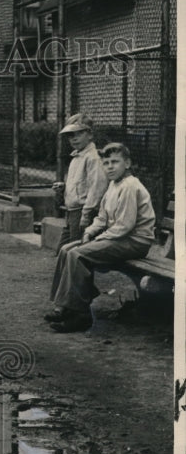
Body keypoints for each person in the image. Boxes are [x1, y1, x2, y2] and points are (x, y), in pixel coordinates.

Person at [46, 142, 156, 333]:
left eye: (115, 162)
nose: (110, 167)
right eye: (106, 163)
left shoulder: (130, 186)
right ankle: (65, 306)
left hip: (136, 241)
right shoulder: (114, 185)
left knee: (78, 255)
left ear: (127, 163)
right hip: (119, 238)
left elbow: (124, 226)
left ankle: (81, 315)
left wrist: (98, 240)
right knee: (66, 250)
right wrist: (89, 232)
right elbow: (102, 217)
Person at [52, 113, 108, 249]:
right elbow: (81, 183)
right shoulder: (77, 156)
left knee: (75, 253)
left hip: (83, 212)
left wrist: (86, 215)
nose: (74, 138)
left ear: (90, 135)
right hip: (71, 212)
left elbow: (97, 189)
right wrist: (64, 187)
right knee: (63, 252)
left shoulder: (93, 158)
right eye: (70, 135)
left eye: (79, 133)